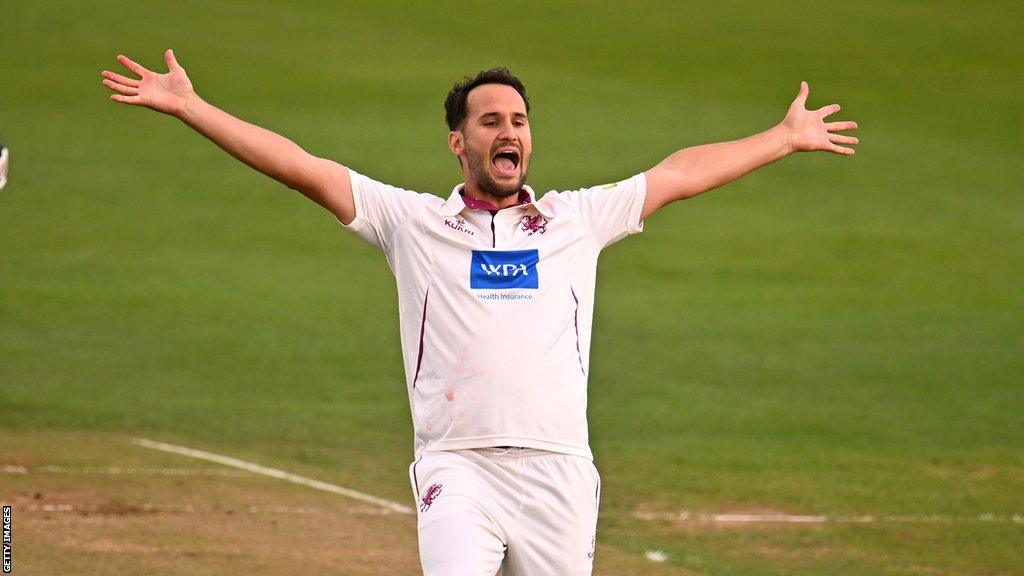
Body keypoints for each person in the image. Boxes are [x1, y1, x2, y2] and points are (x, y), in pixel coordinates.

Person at [102, 49, 858, 576]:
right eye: (491, 121)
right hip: (457, 468)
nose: (510, 132)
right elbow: (299, 165)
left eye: (520, 120)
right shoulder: (410, 222)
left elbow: (678, 174)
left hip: (560, 469)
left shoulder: (575, 220)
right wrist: (191, 107)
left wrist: (783, 137)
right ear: (458, 143)